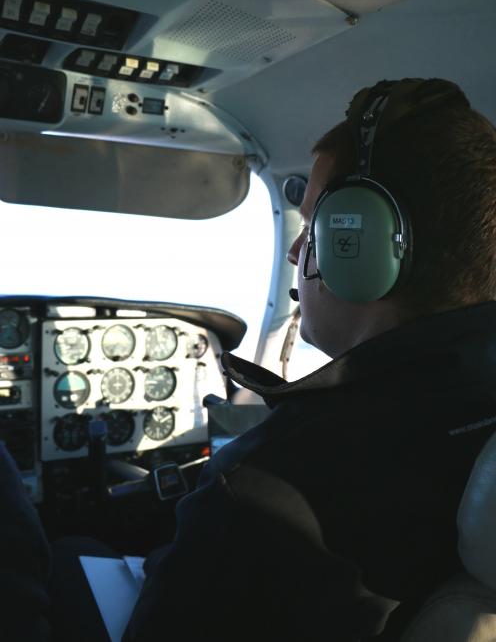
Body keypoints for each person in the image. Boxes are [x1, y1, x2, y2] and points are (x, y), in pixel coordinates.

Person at [3, 76, 496, 641]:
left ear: (359, 245)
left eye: (312, 224)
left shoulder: (265, 487)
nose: (295, 250)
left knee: (68, 551)